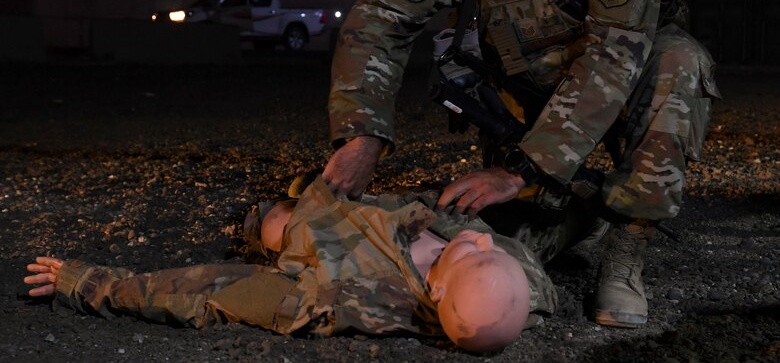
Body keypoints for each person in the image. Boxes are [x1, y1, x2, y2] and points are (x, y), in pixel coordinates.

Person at [324, 0, 721, 328]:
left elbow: (612, 56)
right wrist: (362, 133)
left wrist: (518, 169)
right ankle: (576, 216)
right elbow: (379, 21)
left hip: (617, 84)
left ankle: (627, 247)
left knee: (679, 61)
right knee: (504, 238)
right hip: (528, 94)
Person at [24, 175, 592, 353]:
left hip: (312, 230)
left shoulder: (346, 294)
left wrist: (90, 282)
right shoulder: (518, 286)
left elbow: (209, 290)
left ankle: (265, 218)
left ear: (436, 295)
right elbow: (525, 251)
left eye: (465, 254)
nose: (476, 242)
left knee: (272, 222)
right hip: (385, 207)